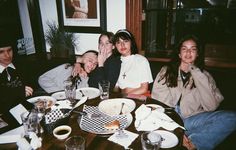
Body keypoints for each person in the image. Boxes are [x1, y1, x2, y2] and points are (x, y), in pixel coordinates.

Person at [151, 34, 236, 150]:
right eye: (184, 49)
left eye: (193, 49)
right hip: (170, 118)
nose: (188, 52)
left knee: (231, 118)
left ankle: (193, 143)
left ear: (198, 54)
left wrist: (196, 73)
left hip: (192, 119)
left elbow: (210, 106)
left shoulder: (205, 76)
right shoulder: (166, 71)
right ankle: (183, 137)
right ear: (179, 54)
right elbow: (159, 103)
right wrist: (175, 127)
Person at [0, 39, 33, 133]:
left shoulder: (21, 65)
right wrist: (17, 91)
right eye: (1, 52)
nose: (7, 55)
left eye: (9, 50)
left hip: (23, 111)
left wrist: (76, 63)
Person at [113, 29, 153, 95]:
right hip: (122, 97)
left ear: (131, 43)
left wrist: (125, 97)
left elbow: (144, 88)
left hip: (138, 97)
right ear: (115, 46)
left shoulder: (141, 60)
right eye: (118, 42)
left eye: (125, 41)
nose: (122, 45)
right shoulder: (115, 62)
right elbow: (116, 86)